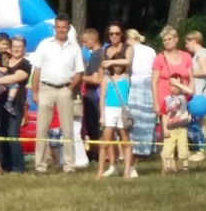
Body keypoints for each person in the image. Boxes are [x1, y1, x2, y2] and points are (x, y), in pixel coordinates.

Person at [31, 13, 85, 174]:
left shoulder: (74, 48)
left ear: (68, 29)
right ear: (54, 28)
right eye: (58, 27)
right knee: (42, 129)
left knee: (67, 129)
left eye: (64, 27)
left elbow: (80, 72)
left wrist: (69, 89)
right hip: (45, 88)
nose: (61, 30)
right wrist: (35, 92)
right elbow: (37, 70)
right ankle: (40, 166)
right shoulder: (44, 45)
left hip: (64, 89)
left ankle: (69, 165)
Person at [0, 35, 32, 173]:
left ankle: (18, 166)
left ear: (24, 48)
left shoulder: (26, 64)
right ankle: (6, 165)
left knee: (12, 133)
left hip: (16, 103)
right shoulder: (3, 60)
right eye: (15, 46)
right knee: (2, 133)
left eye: (20, 47)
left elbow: (17, 77)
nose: (17, 49)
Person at [96, 55, 133, 181]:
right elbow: (102, 98)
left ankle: (127, 170)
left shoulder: (126, 77)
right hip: (109, 110)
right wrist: (102, 115)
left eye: (119, 65)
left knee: (125, 141)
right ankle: (100, 170)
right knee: (105, 142)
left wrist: (112, 61)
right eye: (115, 65)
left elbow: (128, 61)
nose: (118, 67)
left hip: (122, 110)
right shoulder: (107, 78)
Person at [125, 29, 157, 157]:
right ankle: (146, 148)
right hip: (149, 84)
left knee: (133, 117)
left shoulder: (130, 50)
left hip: (134, 84)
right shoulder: (150, 50)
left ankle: (133, 148)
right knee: (147, 118)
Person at [185, 31, 206, 162]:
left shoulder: (201, 54)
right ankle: (197, 147)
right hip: (199, 94)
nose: (186, 45)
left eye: (187, 42)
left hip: (201, 94)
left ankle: (201, 150)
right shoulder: (200, 54)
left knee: (200, 123)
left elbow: (205, 71)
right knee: (197, 122)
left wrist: (188, 73)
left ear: (194, 41)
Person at [160, 74, 192, 173]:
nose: (175, 87)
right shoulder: (166, 100)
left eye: (177, 85)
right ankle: (169, 167)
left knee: (183, 147)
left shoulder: (185, 98)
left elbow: (191, 91)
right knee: (168, 149)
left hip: (182, 128)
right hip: (170, 129)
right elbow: (164, 115)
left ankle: (185, 167)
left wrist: (178, 83)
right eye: (172, 85)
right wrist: (165, 129)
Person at [80, 28, 103, 162]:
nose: (84, 45)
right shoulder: (102, 53)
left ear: (93, 40)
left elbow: (96, 79)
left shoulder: (95, 56)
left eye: (85, 41)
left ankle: (95, 154)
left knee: (93, 127)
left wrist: (80, 77)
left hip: (92, 95)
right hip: (96, 95)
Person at [0, 32, 19, 112]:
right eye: (3, 44)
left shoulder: (6, 53)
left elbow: (13, 58)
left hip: (4, 73)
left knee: (15, 86)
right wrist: (0, 68)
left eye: (7, 44)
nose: (5, 46)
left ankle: (9, 102)